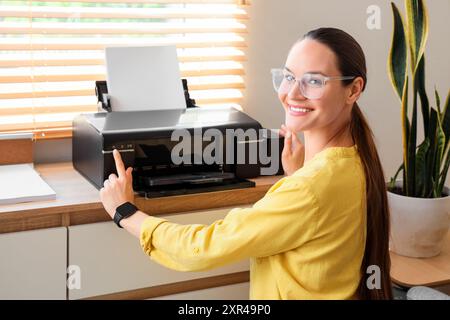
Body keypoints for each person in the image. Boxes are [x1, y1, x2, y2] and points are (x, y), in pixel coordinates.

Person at [99, 27, 393, 300]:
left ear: (353, 90)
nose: (291, 94)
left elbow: (200, 249)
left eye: (314, 81)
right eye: (289, 76)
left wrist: (125, 212)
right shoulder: (355, 160)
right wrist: (297, 175)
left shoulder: (310, 188)